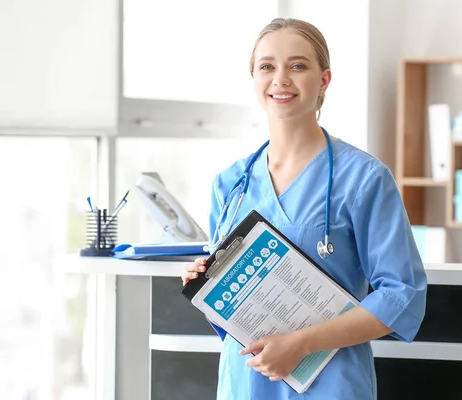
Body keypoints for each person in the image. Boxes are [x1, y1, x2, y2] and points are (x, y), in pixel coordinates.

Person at [181, 17, 427, 400]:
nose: (281, 79)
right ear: (254, 78)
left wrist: (303, 343)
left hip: (331, 384)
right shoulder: (230, 184)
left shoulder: (363, 179)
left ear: (324, 80)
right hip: (245, 382)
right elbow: (231, 311)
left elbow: (401, 294)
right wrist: (206, 283)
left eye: (298, 66)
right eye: (267, 66)